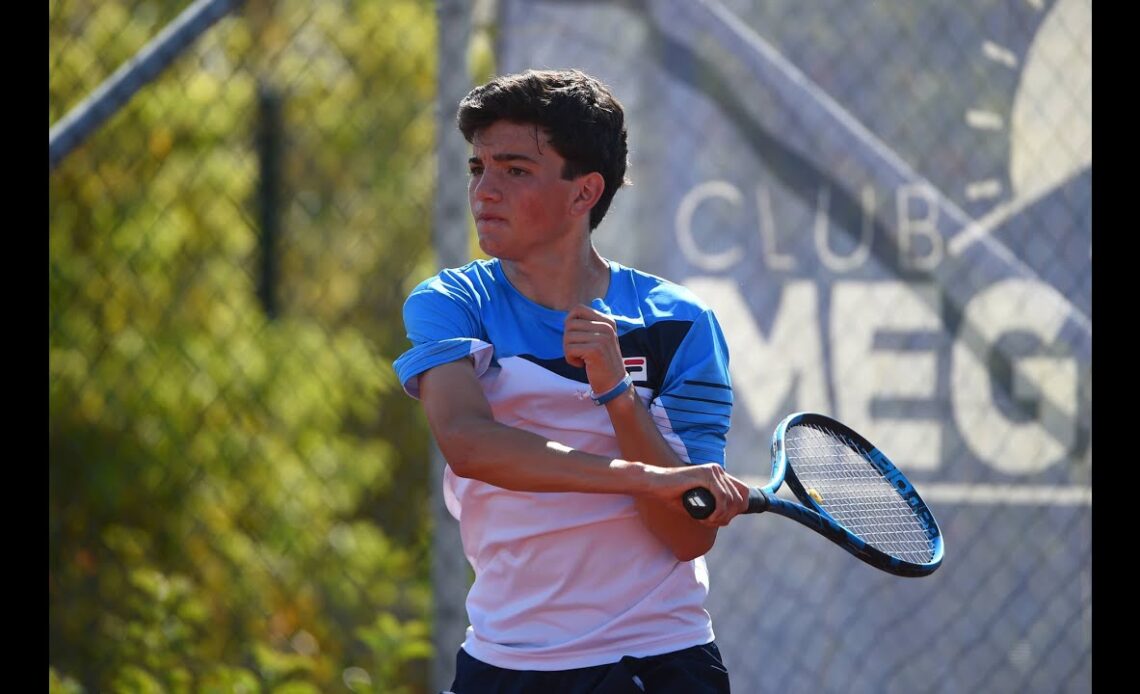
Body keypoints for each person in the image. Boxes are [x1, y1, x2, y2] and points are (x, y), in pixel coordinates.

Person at [393, 68, 750, 693]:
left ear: (584, 193)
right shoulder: (450, 301)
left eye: (515, 170)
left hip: (657, 659)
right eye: (478, 168)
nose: (485, 191)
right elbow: (469, 445)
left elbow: (685, 535)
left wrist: (617, 396)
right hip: (501, 663)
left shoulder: (681, 324)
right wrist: (650, 477)